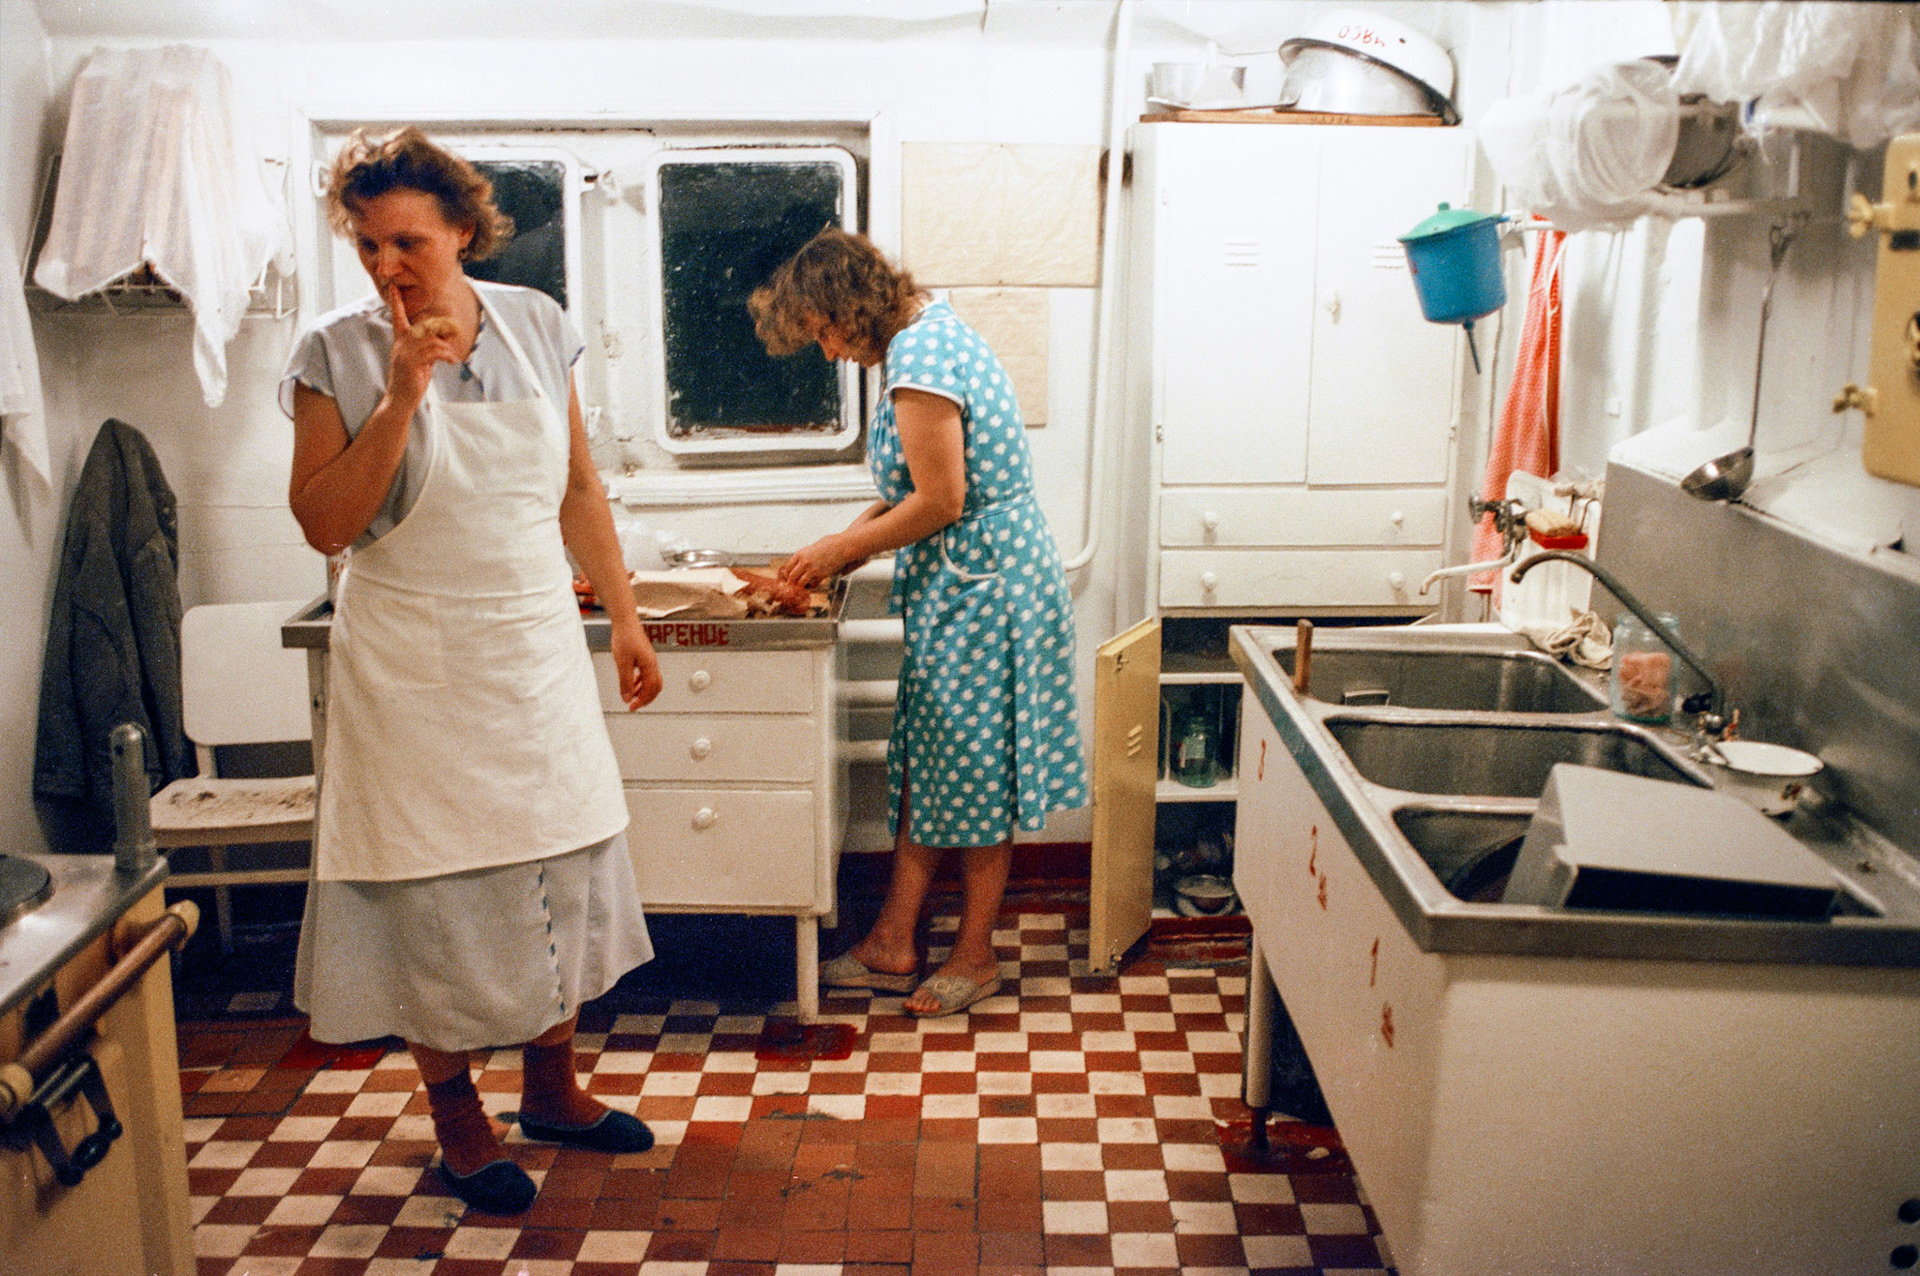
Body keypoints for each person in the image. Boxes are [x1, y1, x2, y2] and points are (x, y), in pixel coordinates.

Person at [282, 127, 662, 1215]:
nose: (386, 265)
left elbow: (578, 490)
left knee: (560, 869)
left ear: (461, 229)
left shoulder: (539, 322)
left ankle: (554, 1089)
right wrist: (403, 393)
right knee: (435, 895)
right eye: (366, 245)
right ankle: (456, 1116)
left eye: (407, 241)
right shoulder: (332, 352)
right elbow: (326, 524)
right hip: (410, 664)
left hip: (533, 647)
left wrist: (624, 618)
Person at [750, 228, 1088, 1017]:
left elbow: (941, 501)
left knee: (978, 771)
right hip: (971, 583)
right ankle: (894, 939)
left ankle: (975, 957)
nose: (830, 351)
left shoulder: (921, 360)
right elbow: (914, 490)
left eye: (826, 331)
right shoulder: (929, 335)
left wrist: (841, 547)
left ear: (849, 308)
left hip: (988, 591)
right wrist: (838, 547)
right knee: (935, 766)